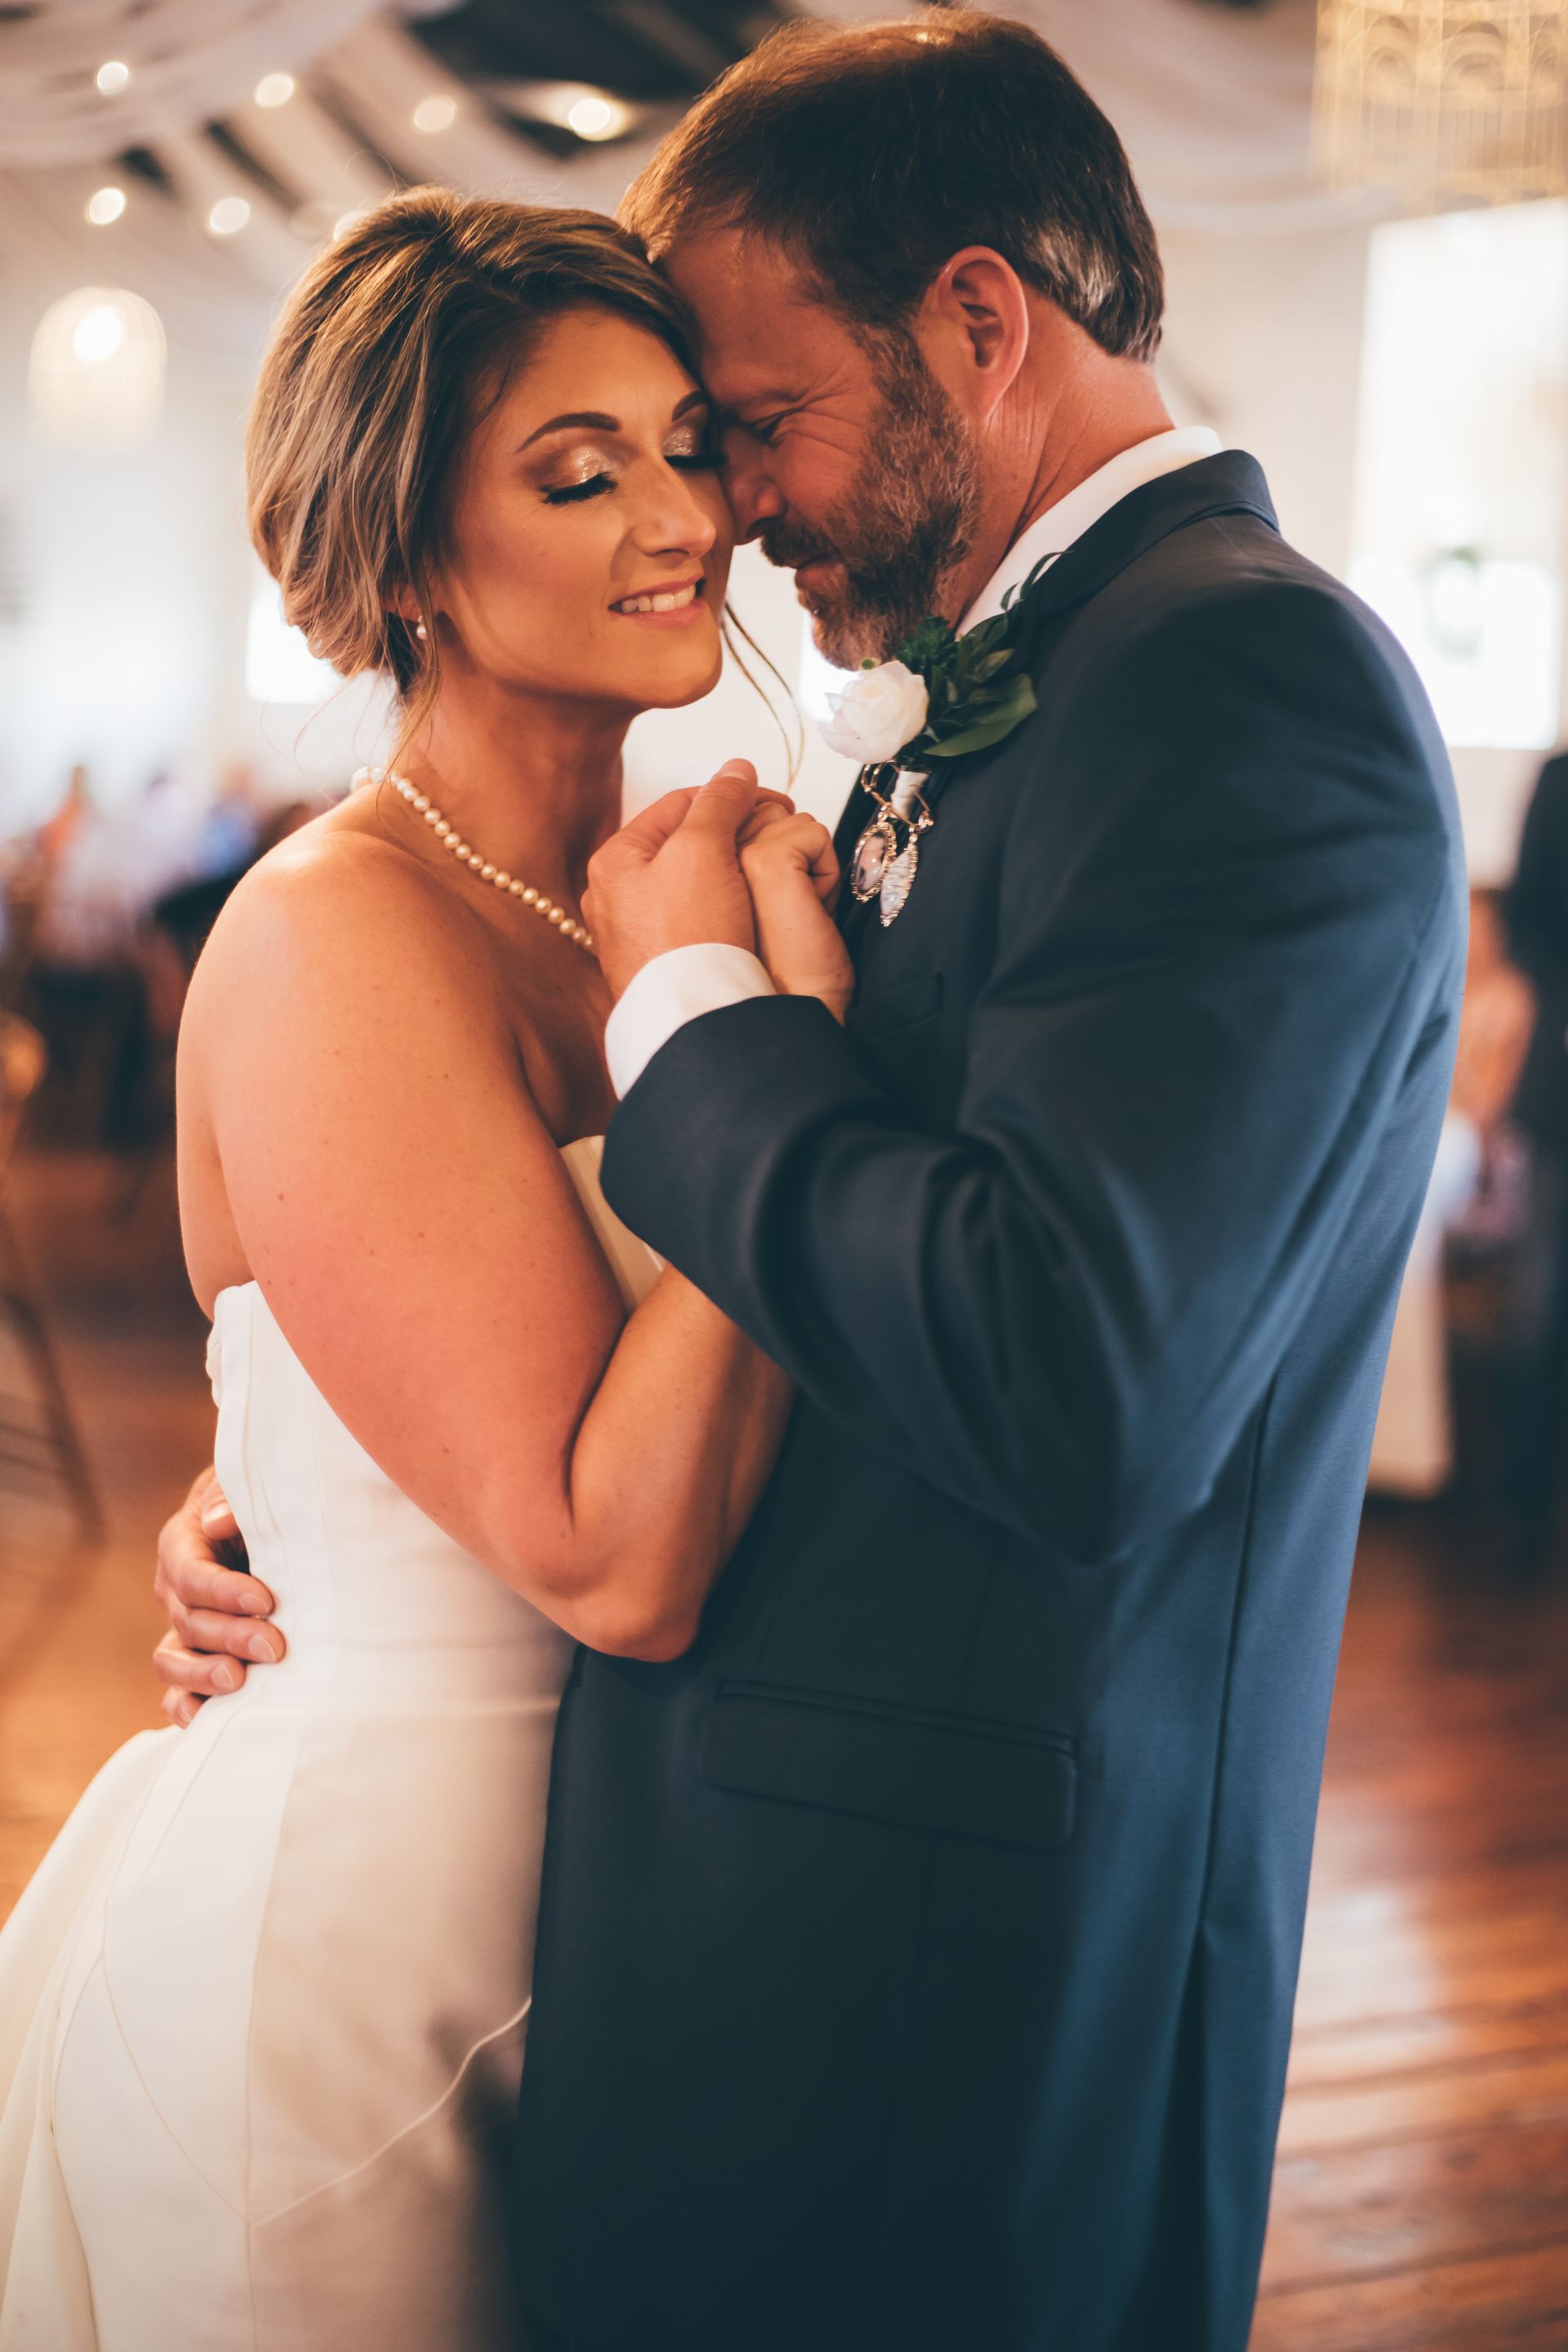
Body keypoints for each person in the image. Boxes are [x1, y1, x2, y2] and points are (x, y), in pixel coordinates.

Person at [152, 17, 1464, 2351]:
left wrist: (709, 1032)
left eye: (735, 428)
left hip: (940, 1964)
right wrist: (288, 1498)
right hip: (634, 1913)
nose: (723, 512)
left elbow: (1074, 1365)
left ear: (975, 322)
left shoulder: (1225, 686)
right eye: (615, 463)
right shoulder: (963, 719)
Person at [0, 189, 835, 2350]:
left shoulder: (680, 891)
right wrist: (775, 1066)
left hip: (639, 1920)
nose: (683, 516)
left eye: (680, 441)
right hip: (350, 1972)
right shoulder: (331, 934)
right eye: (581, 472)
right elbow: (614, 1552)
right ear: (396, 560)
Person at [1503, 750, 1568, 1574]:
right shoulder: (1560, 779)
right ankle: (1525, 1525)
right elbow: (1525, 921)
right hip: (1563, 1083)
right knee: (1543, 1313)